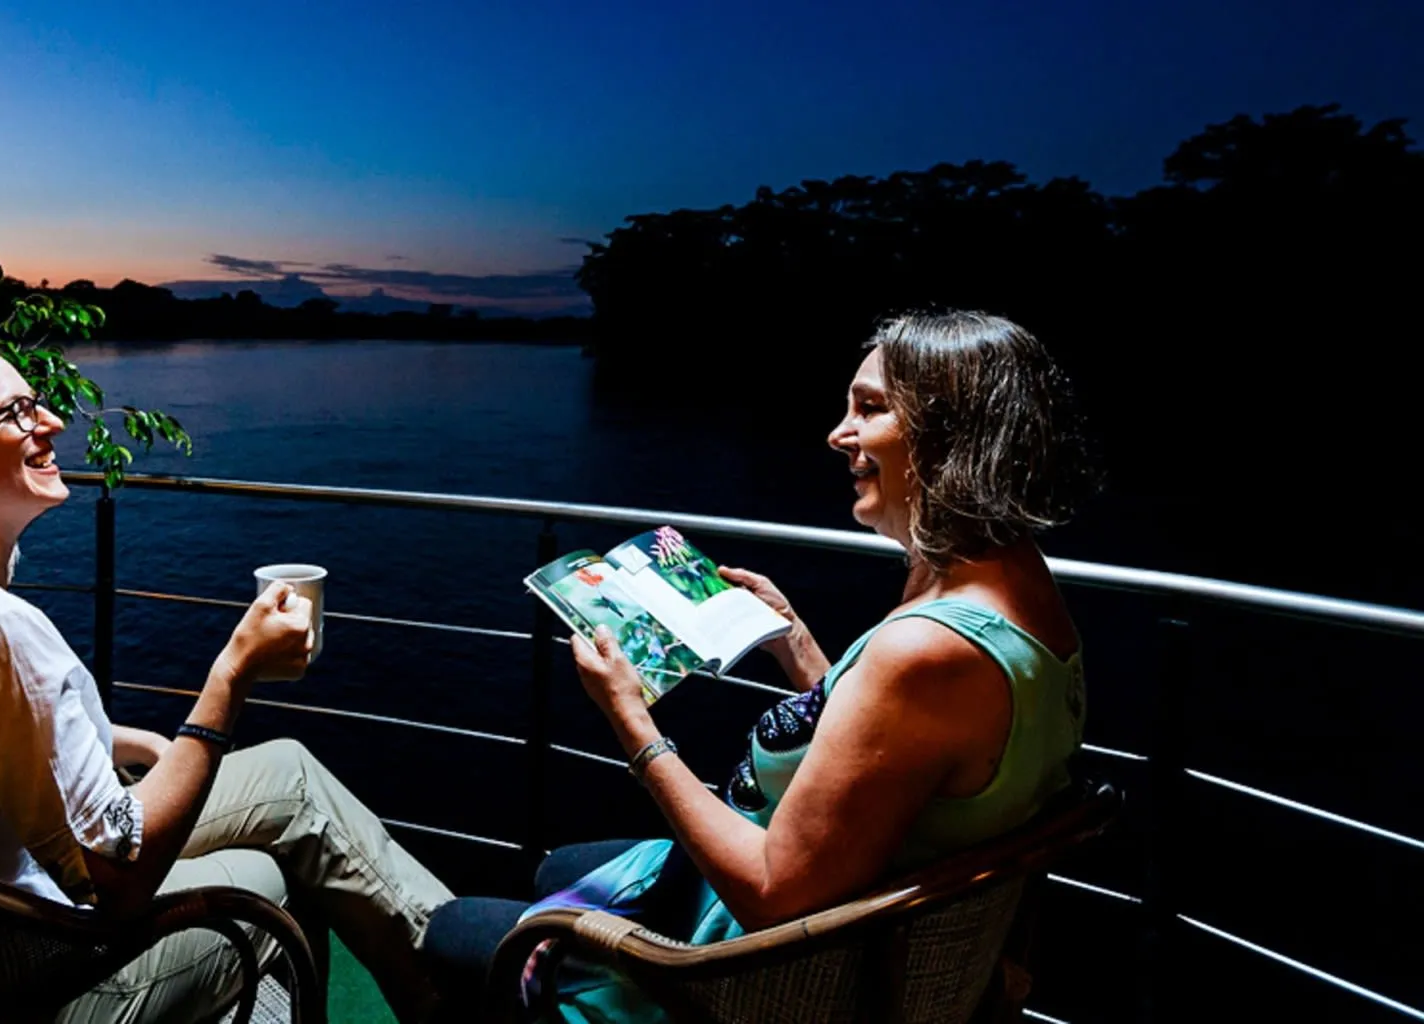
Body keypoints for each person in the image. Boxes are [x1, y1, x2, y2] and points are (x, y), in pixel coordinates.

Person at [423, 309, 1098, 1023]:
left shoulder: (929, 651)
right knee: (557, 865)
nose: (837, 434)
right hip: (859, 919)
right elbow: (903, 749)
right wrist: (796, 644)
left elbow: (772, 891)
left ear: (951, 433)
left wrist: (631, 721)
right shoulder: (1020, 591)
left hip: (760, 976)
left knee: (456, 928)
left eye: (868, 410)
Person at [0, 327, 454, 1024]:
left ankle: (459, 973)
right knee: (266, 877)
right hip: (34, 974)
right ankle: (477, 990)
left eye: (37, 403)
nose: (50, 421)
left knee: (287, 775)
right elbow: (117, 879)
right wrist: (232, 675)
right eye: (14, 412)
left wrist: (133, 743)